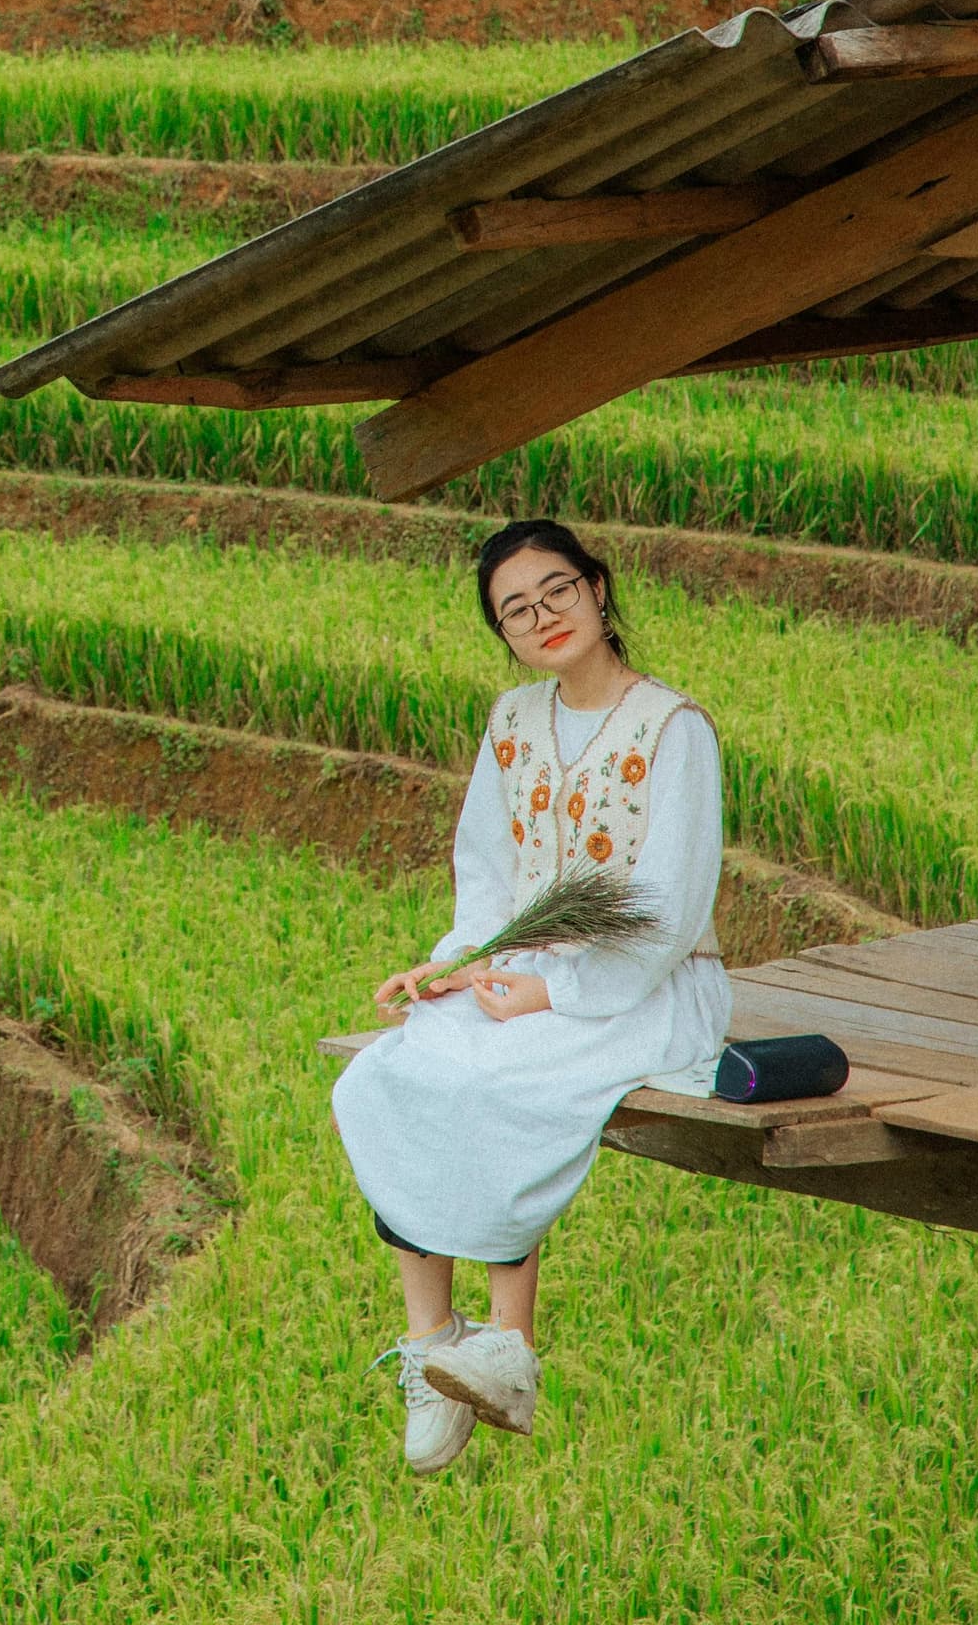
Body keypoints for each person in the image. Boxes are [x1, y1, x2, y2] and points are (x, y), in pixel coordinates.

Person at [329, 518, 731, 1476]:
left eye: (556, 591)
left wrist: (548, 993)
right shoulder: (512, 721)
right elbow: (487, 876)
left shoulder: (674, 729)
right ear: (503, 635)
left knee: (498, 1081)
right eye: (516, 610)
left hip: (649, 987)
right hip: (529, 969)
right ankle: (433, 1348)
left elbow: (670, 912)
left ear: (597, 590)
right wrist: (454, 970)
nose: (542, 616)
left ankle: (509, 1348)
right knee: (395, 1070)